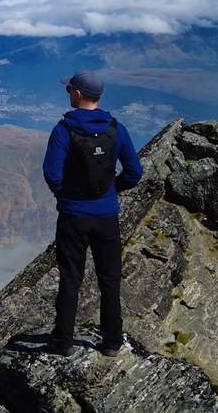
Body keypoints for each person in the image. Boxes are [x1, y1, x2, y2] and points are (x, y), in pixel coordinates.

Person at [42, 69, 142, 357]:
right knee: (110, 279)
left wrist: (66, 195)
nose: (69, 93)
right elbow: (135, 173)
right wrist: (111, 191)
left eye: (69, 89)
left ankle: (63, 341)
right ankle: (111, 342)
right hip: (107, 217)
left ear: (78, 94)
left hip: (74, 217)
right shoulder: (116, 129)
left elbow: (52, 173)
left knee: (71, 278)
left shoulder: (63, 130)